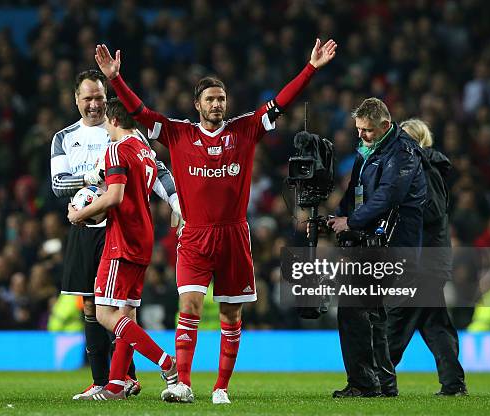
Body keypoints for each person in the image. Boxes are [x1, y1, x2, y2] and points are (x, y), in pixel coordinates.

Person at [95, 38, 337, 404]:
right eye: (210, 99)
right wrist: (115, 80)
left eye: (221, 98)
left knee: (230, 312)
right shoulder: (179, 133)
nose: (216, 104)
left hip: (234, 235)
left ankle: (221, 387)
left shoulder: (245, 129)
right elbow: (141, 113)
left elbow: (281, 103)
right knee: (188, 307)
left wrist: (311, 68)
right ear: (198, 105)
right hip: (193, 235)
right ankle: (183, 383)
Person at [50, 70, 182, 400]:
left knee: (115, 310)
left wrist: (177, 201)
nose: (94, 104)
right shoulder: (64, 137)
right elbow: (57, 184)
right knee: (95, 307)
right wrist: (88, 181)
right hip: (89, 230)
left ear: (108, 103)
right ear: (76, 100)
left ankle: (129, 376)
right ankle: (105, 381)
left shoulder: (124, 140)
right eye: (88, 97)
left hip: (116, 230)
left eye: (99, 97)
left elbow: (159, 173)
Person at [327, 98, 426, 398]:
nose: (361, 136)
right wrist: (341, 220)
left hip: (394, 244)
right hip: (373, 242)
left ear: (385, 126)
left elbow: (388, 196)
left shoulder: (403, 153)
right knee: (369, 311)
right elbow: (355, 192)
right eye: (358, 130)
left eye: (367, 130)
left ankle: (366, 383)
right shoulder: (369, 152)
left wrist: (352, 221)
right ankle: (380, 382)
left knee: (357, 308)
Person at [383, 118, 467, 396]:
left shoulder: (423, 168)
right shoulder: (424, 167)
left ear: (417, 141)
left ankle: (378, 379)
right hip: (430, 259)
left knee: (396, 320)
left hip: (421, 261)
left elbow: (431, 211)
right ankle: (453, 384)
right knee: (434, 325)